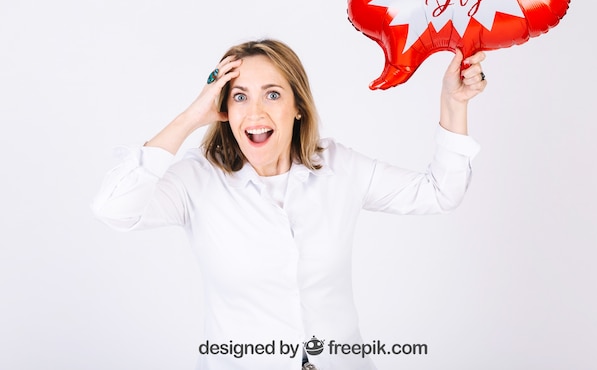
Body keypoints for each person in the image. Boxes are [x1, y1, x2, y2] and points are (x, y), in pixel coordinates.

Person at [92, 38, 487, 370]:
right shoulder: (198, 179)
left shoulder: (338, 166)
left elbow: (440, 192)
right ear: (224, 110)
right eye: (240, 97)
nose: (256, 112)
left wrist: (454, 103)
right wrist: (191, 116)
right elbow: (115, 208)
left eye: (273, 94)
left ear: (297, 106)